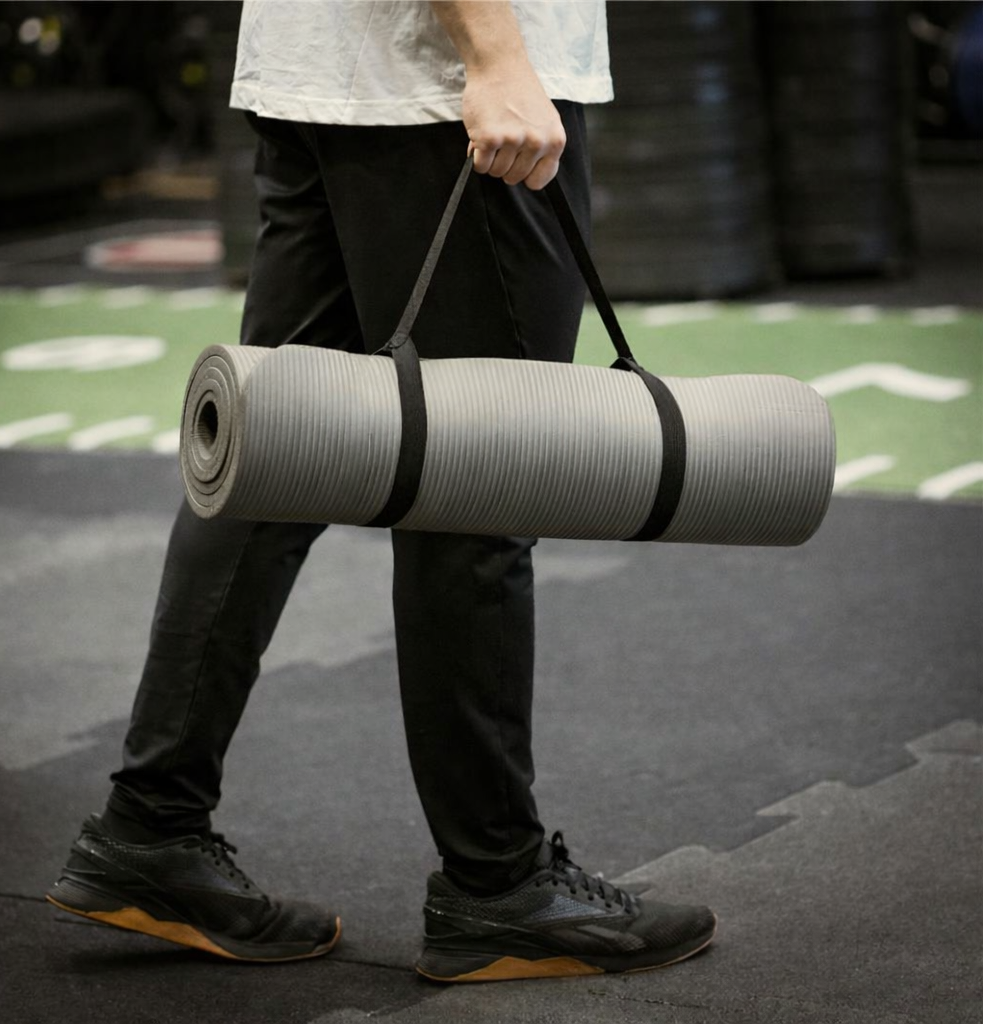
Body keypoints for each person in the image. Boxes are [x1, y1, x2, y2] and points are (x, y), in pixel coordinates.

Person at [48, 0, 716, 981]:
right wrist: (494, 55)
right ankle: (498, 884)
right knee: (480, 484)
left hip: (327, 72)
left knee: (274, 461)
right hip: (442, 89)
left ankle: (150, 825)